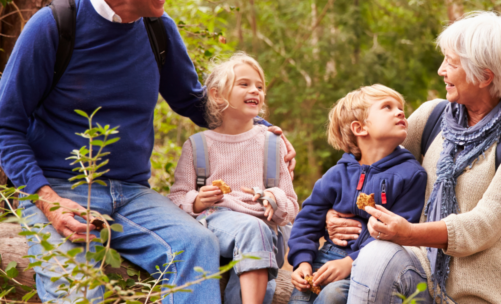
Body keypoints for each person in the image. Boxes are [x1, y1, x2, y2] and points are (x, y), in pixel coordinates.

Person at [0, 0, 296, 302]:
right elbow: (5, 126)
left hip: (133, 194)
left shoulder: (158, 28)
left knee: (197, 244)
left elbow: (195, 102)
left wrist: (264, 131)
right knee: (78, 293)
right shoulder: (55, 25)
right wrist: (49, 201)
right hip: (62, 189)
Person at [326, 11, 501, 304]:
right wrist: (332, 210)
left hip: (478, 291)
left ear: (484, 76)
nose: (441, 70)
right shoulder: (432, 116)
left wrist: (409, 233)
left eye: (451, 63)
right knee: (374, 256)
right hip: (419, 268)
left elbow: (483, 225)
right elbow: (371, 166)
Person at [168, 53, 299, 304]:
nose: (255, 91)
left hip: (268, 233)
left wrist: (276, 198)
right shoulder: (198, 145)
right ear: (217, 95)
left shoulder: (273, 143)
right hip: (216, 222)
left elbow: (292, 208)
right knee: (253, 228)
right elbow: (176, 198)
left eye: (260, 87)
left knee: (257, 229)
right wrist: (197, 201)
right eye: (244, 84)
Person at [286, 84, 428, 304]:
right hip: (325, 257)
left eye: (401, 108)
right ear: (360, 128)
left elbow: (401, 232)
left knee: (332, 296)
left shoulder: (411, 175)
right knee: (301, 296)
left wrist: (350, 262)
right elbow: (308, 219)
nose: (400, 112)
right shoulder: (338, 173)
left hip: (371, 267)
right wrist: (302, 262)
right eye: (387, 107)